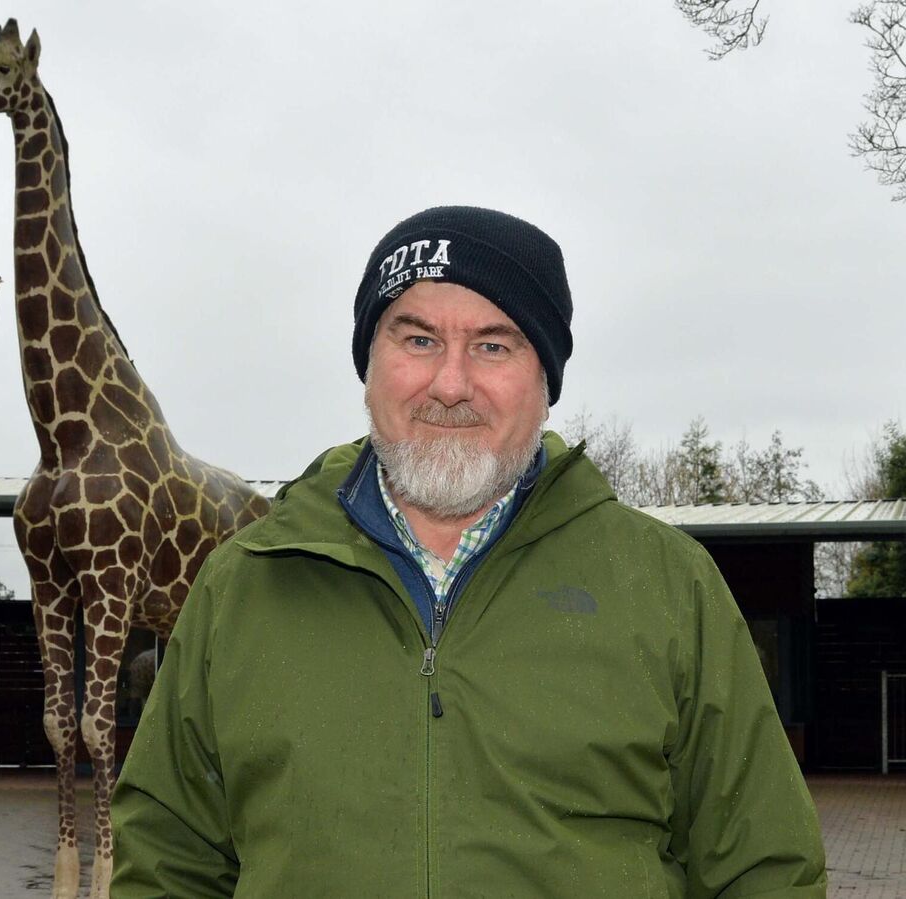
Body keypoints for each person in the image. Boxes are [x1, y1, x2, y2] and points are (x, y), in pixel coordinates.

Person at [110, 206, 826, 897]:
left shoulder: (667, 585)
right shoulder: (245, 585)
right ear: (370, 366)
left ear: (544, 383)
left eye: (493, 344)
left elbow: (765, 867)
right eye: (417, 340)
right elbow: (167, 860)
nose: (450, 384)